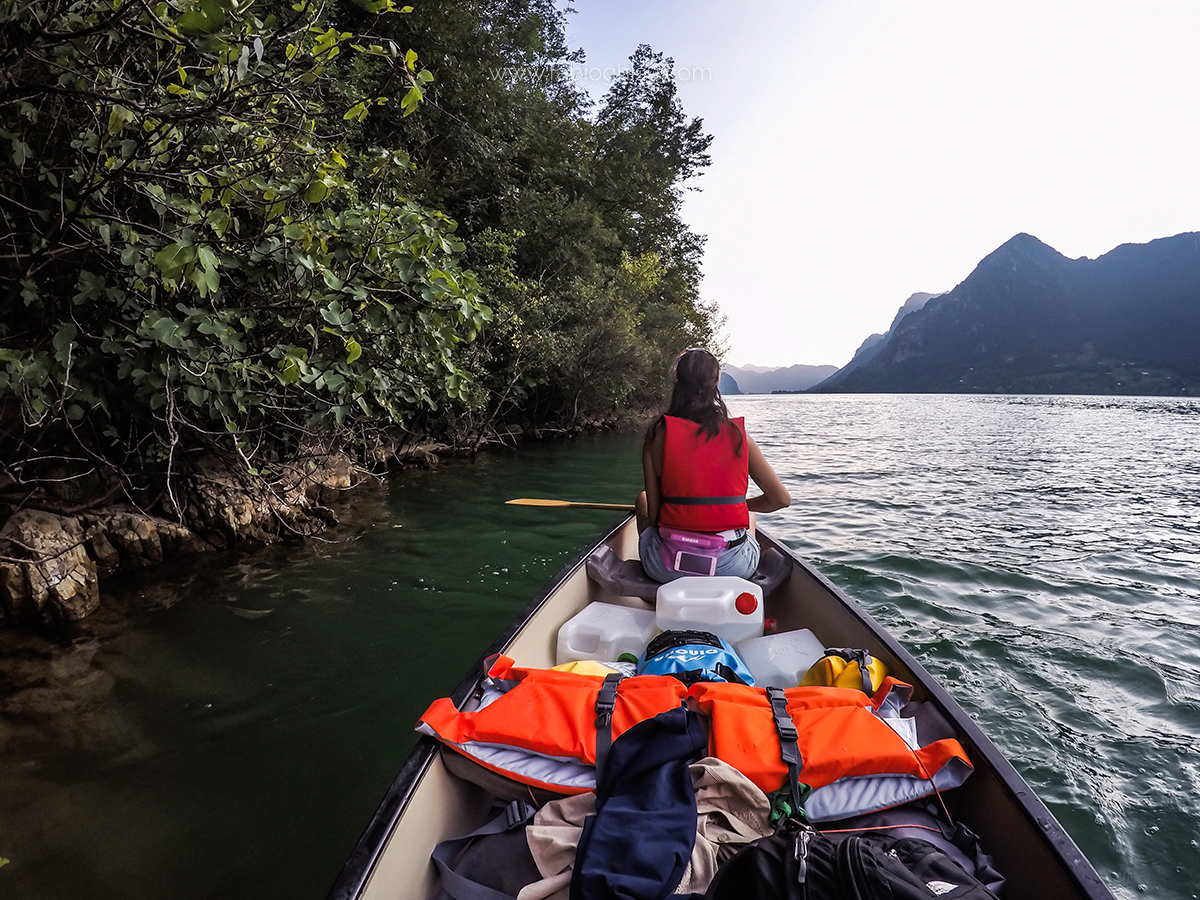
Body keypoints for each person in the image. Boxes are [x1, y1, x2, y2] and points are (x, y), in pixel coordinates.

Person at [636, 348, 791, 582]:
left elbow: (656, 515)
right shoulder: (740, 438)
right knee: (747, 516)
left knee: (643, 499)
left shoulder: (658, 435)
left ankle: (658, 586)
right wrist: (740, 507)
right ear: (716, 382)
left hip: (667, 567)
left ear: (677, 381)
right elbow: (781, 500)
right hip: (732, 568)